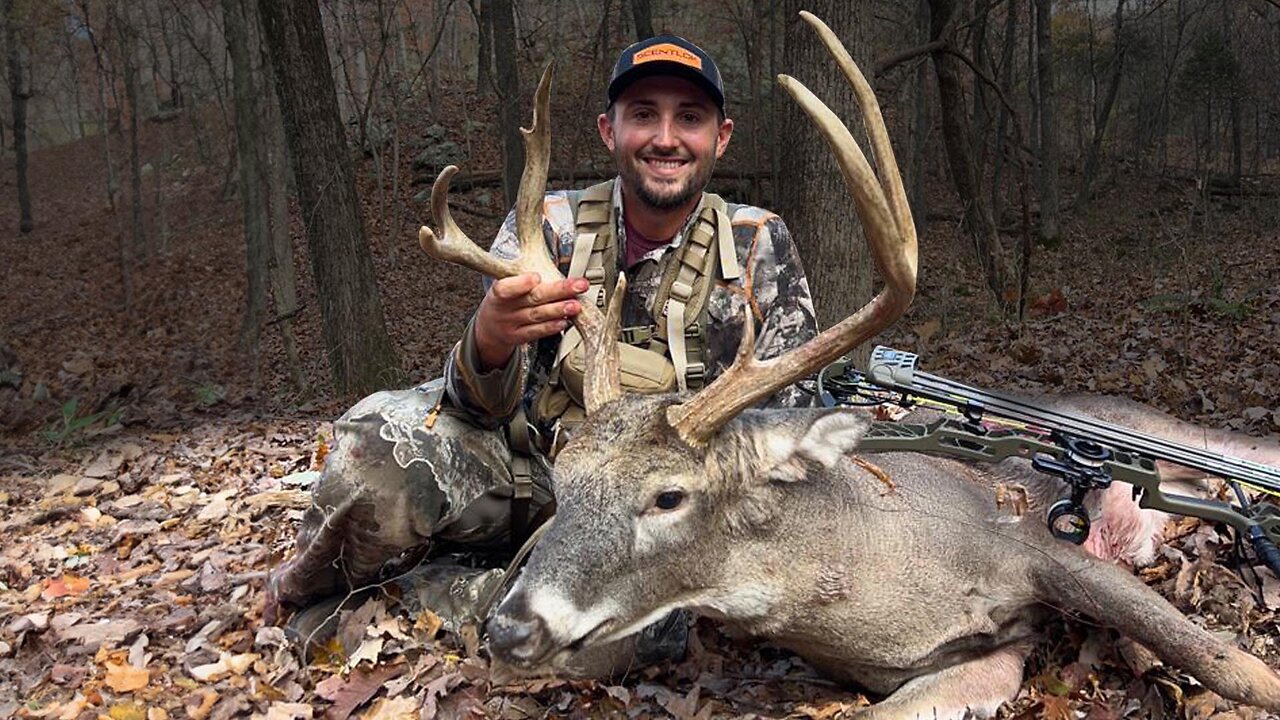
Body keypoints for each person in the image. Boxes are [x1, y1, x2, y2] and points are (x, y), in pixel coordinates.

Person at [264, 34, 819, 672]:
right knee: (377, 450)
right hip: (535, 475)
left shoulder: (756, 246)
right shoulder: (544, 227)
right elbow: (475, 407)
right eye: (644, 115)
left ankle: (401, 600)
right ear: (609, 131)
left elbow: (784, 431)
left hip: (657, 517)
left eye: (688, 118)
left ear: (720, 137)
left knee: (622, 640)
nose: (665, 138)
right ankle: (304, 588)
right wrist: (491, 335)